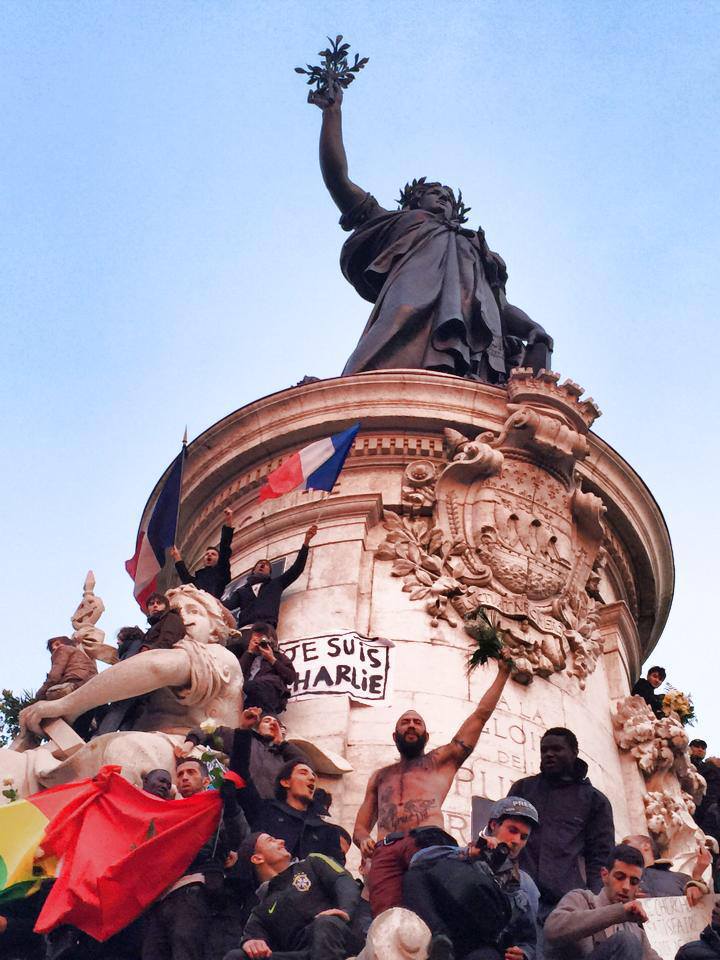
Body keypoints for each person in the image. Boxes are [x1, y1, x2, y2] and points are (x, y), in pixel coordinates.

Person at [310, 82, 553, 383]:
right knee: (389, 336)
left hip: (473, 334)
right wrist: (332, 115)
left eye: (448, 197)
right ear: (413, 202)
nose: (443, 199)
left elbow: (500, 306)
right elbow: (339, 181)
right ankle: (348, 393)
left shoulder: (478, 248)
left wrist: (532, 327)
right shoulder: (399, 223)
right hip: (409, 306)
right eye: (435, 193)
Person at [353, 659, 512, 916]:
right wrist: (363, 840)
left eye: (417, 722)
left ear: (426, 736)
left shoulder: (440, 761)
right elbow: (360, 827)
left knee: (431, 911)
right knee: (384, 918)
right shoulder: (379, 777)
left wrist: (503, 673)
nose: (411, 725)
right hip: (385, 851)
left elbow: (480, 715)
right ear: (395, 736)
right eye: (405, 722)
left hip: (425, 843)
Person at [403, 796, 540, 960]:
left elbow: (530, 940)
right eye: (512, 830)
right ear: (493, 825)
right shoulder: (462, 854)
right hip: (440, 934)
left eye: (523, 837)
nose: (516, 841)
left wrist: (525, 954)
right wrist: (468, 855)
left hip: (482, 947)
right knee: (416, 876)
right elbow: (418, 862)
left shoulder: (525, 884)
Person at [141, 756, 247, 960]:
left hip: (194, 892)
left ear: (206, 781)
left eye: (191, 773)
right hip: (160, 898)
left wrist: (231, 805)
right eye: (180, 774)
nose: (184, 778)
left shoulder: (218, 809)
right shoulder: (169, 812)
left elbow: (240, 837)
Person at [507, 727, 615, 924]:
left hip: (566, 902)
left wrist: (593, 901)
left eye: (557, 749)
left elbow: (600, 856)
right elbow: (504, 835)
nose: (549, 754)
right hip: (519, 894)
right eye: (544, 750)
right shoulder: (523, 788)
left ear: (574, 753)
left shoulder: (595, 800)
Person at [224, 832, 361, 960]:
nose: (281, 841)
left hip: (338, 939)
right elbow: (252, 935)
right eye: (271, 840)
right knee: (236, 956)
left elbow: (343, 880)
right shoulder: (260, 911)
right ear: (257, 858)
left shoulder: (313, 862)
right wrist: (250, 942)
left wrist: (345, 910)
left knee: (325, 923)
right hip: (305, 955)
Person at [543, 844, 662, 960]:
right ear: (605, 875)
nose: (626, 887)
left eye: (633, 882)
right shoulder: (581, 899)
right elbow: (552, 929)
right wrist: (619, 912)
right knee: (626, 941)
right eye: (620, 877)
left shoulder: (635, 929)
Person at [181, 708, 310, 800]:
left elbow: (306, 768)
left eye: (275, 723)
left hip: (276, 809)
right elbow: (209, 729)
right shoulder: (241, 738)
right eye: (267, 721)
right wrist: (190, 742)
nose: (271, 723)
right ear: (257, 727)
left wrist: (281, 743)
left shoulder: (284, 753)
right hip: (244, 803)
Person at [238, 758, 345, 863]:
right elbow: (240, 771)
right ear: (285, 782)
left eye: (313, 776)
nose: (312, 778)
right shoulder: (265, 811)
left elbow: (337, 870)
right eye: (303, 773)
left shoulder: (327, 831)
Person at [225, 525, 318, 629]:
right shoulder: (241, 592)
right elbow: (226, 605)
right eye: (259, 564)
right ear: (253, 571)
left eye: (266, 565)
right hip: (245, 629)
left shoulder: (276, 584)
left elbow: (297, 569)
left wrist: (306, 543)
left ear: (269, 572)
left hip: (267, 627)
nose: (262, 565)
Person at [622, 834, 711, 905]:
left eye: (625, 844)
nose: (621, 849)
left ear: (646, 846)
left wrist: (696, 880)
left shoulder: (682, 879)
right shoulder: (621, 879)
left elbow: (705, 909)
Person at [171, 507, 237, 600]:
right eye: (207, 554)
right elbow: (185, 576)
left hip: (214, 602)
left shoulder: (222, 571)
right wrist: (177, 556)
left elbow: (225, 547)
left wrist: (228, 522)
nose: (209, 555)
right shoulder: (198, 579)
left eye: (213, 554)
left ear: (219, 559)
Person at [239, 623, 298, 715]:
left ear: (271, 640)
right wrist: (249, 652)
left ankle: (272, 719)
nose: (259, 644)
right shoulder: (248, 657)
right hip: (250, 696)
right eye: (255, 640)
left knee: (266, 682)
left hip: (269, 694)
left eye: (262, 640)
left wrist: (272, 659)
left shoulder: (279, 657)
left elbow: (291, 678)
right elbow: (237, 674)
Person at [35, 636, 97, 702]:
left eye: (57, 644)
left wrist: (40, 694)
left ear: (67, 643)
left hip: (74, 682)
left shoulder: (62, 649)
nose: (54, 648)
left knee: (52, 695)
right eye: (51, 649)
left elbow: (54, 675)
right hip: (91, 682)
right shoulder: (81, 654)